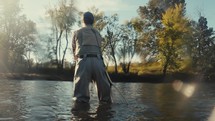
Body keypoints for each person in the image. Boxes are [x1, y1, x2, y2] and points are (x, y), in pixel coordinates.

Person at [72, 11, 112, 104]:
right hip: (98, 61)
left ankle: (81, 115)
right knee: (105, 98)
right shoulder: (98, 33)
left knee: (80, 99)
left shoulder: (77, 32)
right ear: (93, 21)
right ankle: (105, 112)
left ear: (83, 20)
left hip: (83, 61)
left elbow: (74, 50)